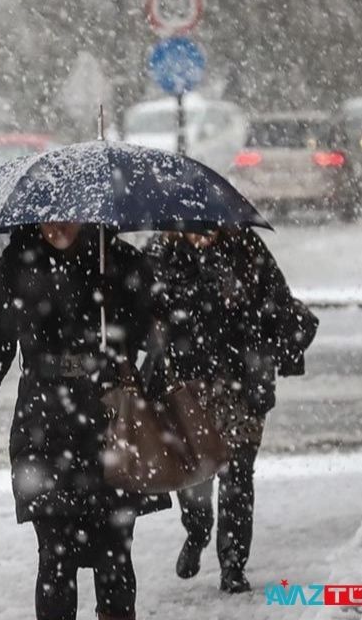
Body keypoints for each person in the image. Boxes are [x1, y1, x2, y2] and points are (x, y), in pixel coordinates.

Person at [0, 222, 169, 620]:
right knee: (55, 556)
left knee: (115, 554)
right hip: (44, 425)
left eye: (69, 216)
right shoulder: (16, 267)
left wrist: (130, 316)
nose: (58, 225)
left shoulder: (118, 261)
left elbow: (158, 335)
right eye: (49, 217)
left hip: (110, 423)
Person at [142, 227, 315, 594]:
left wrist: (245, 301)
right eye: (193, 227)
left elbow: (278, 302)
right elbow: (143, 314)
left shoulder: (246, 247)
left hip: (242, 384)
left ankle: (233, 563)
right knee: (195, 476)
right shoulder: (160, 253)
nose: (203, 234)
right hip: (188, 385)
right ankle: (198, 530)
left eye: (210, 227)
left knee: (237, 475)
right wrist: (184, 300)